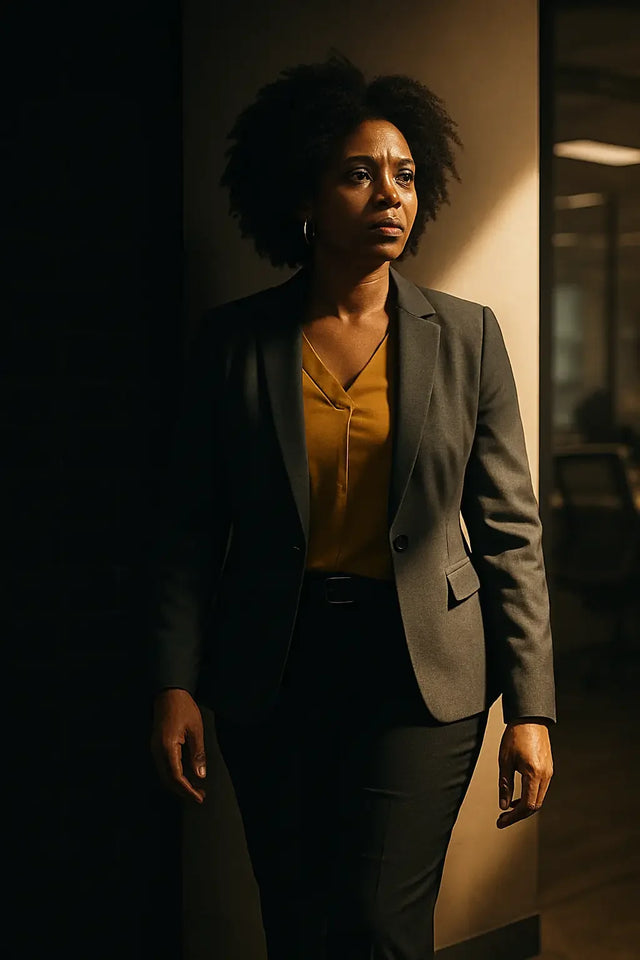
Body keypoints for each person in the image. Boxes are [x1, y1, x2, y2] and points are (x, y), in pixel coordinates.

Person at [149, 54, 556, 960]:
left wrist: (532, 707)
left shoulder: (466, 336)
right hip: (274, 666)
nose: (390, 194)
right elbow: (187, 532)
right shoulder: (236, 345)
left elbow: (511, 535)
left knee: (378, 925)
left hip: (423, 674)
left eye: (405, 175)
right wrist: (173, 681)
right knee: (296, 922)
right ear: (304, 198)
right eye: (359, 172)